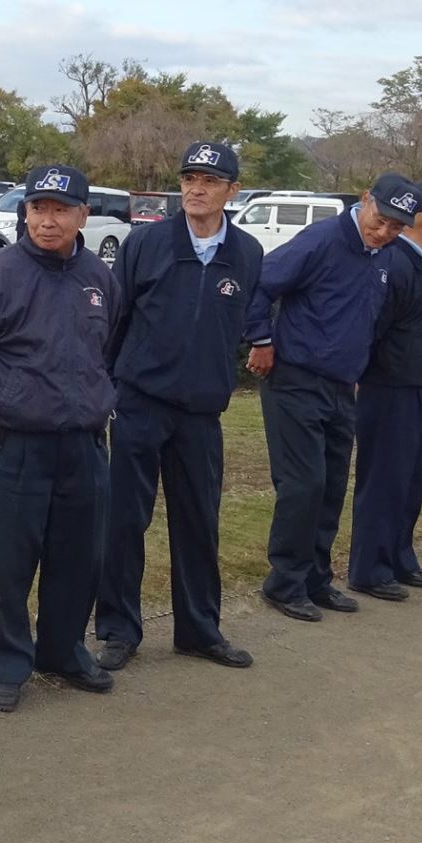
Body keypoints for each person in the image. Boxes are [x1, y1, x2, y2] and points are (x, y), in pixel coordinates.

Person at [0, 162, 121, 712]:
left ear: (83, 215)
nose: (47, 220)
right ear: (25, 212)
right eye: (38, 208)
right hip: (11, 445)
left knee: (78, 557)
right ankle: (4, 664)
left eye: (60, 210)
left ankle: (63, 651)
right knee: (3, 562)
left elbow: (107, 350)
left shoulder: (99, 279)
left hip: (83, 445)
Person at [93, 140, 263, 670]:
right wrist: (109, 387)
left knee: (198, 522)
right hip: (139, 403)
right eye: (189, 178)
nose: (196, 189)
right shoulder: (146, 243)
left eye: (209, 181)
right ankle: (118, 630)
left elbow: (241, 325)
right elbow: (115, 319)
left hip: (201, 413)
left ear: (232, 191)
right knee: (124, 520)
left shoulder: (247, 253)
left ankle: (198, 630)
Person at [244, 175, 408, 621]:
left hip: (341, 386)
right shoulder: (321, 239)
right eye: (381, 220)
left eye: (396, 227)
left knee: (333, 483)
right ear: (365, 199)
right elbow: (260, 284)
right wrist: (261, 339)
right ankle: (285, 583)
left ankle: (316, 579)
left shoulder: (384, 255)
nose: (384, 231)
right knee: (304, 484)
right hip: (295, 379)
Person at [346, 179, 422, 601]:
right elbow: (372, 326)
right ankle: (370, 567)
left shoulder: (414, 262)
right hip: (389, 388)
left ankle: (398, 555)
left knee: (409, 478)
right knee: (385, 479)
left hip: (415, 388)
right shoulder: (394, 262)